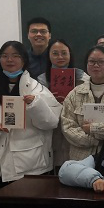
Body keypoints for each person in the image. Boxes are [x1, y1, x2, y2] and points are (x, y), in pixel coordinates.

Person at [0, 41, 62, 191]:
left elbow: (51, 123)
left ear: (24, 60)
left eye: (15, 56)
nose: (9, 60)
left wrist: (35, 104)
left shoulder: (37, 89)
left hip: (31, 167)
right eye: (4, 56)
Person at [35, 39, 87, 169]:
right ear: (49, 55)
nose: (60, 57)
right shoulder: (41, 80)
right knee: (56, 166)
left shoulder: (83, 77)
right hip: (53, 131)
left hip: (76, 130)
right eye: (55, 53)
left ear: (70, 55)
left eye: (64, 53)